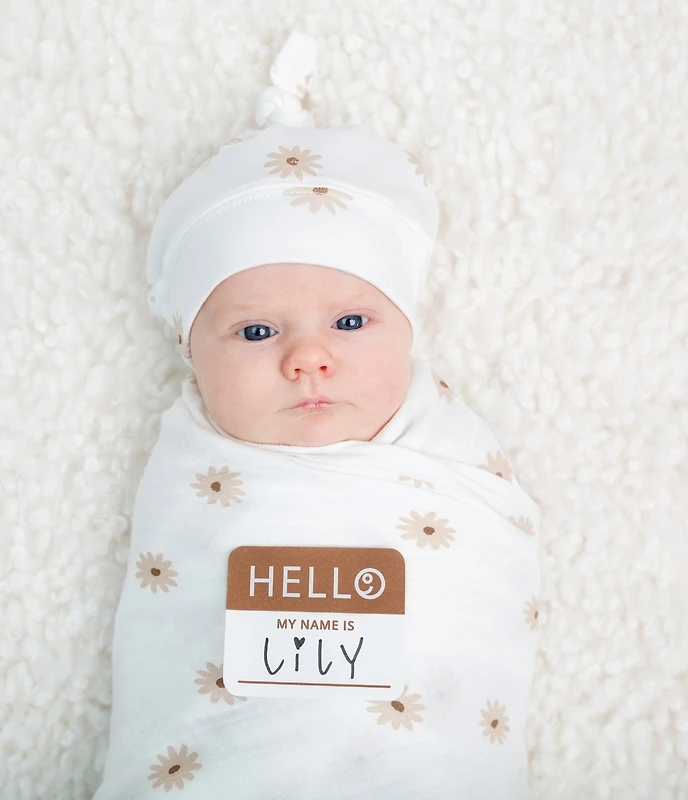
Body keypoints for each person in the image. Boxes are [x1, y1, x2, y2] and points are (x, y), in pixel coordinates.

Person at [92, 31, 541, 799]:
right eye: (258, 332)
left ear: (408, 329)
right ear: (191, 352)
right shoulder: (189, 470)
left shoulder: (459, 471)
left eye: (351, 323)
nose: (308, 358)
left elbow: (480, 597)